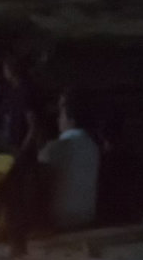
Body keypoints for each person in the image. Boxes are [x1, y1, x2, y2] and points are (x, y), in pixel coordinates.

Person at [37, 95, 100, 230]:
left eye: (62, 115)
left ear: (71, 120)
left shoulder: (55, 148)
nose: (58, 119)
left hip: (58, 221)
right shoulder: (93, 147)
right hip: (87, 218)